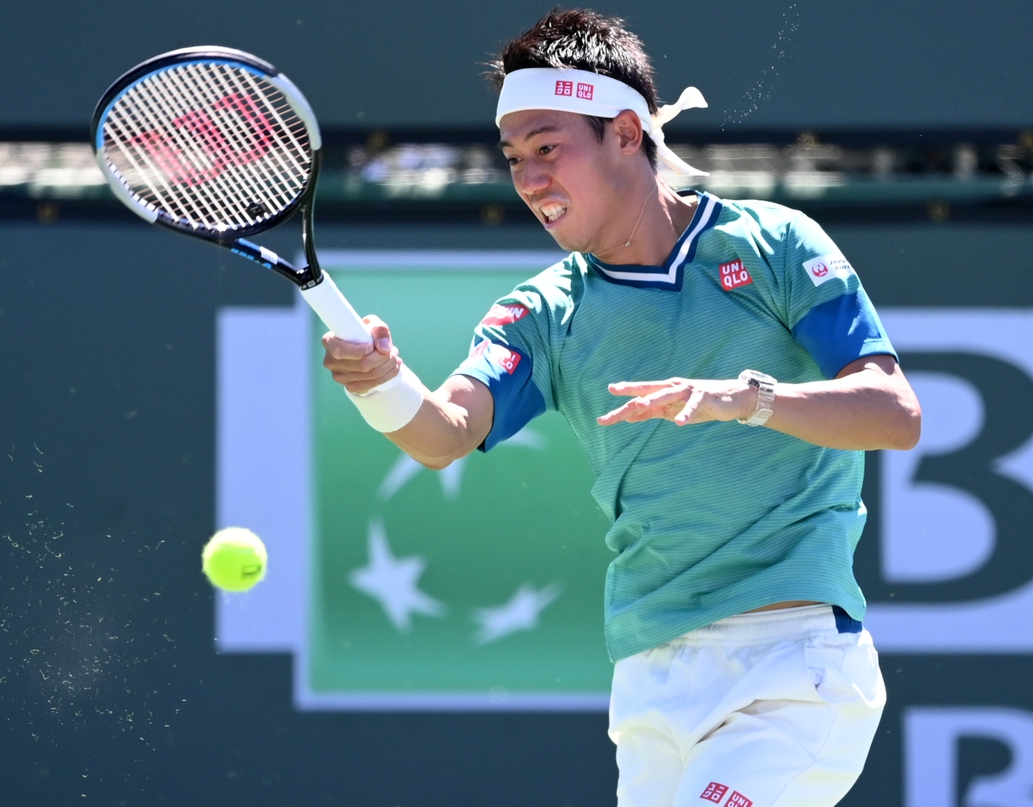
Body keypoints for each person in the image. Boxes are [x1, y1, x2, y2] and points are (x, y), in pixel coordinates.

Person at [322, 9, 921, 807]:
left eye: (548, 149)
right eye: (514, 159)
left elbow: (893, 411)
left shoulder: (775, 244)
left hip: (791, 670)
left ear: (629, 134)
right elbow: (444, 433)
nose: (530, 180)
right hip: (651, 681)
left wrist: (746, 399)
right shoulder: (538, 314)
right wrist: (379, 382)